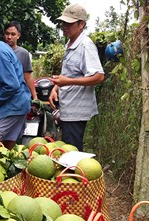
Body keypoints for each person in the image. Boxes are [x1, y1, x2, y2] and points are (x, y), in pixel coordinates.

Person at [48, 4, 105, 151]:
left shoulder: (86, 45)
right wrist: (56, 87)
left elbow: (98, 76)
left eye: (69, 23)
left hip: (77, 112)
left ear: (81, 24)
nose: (64, 27)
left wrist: (67, 82)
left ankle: (75, 174)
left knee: (72, 153)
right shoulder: (70, 43)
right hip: (68, 108)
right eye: (63, 23)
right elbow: (69, 73)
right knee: (67, 149)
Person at [3, 21, 38, 100]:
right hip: (0, 95)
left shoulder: (23, 53)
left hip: (18, 97)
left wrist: (35, 96)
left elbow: (27, 77)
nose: (9, 37)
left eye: (13, 34)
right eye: (7, 33)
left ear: (18, 36)